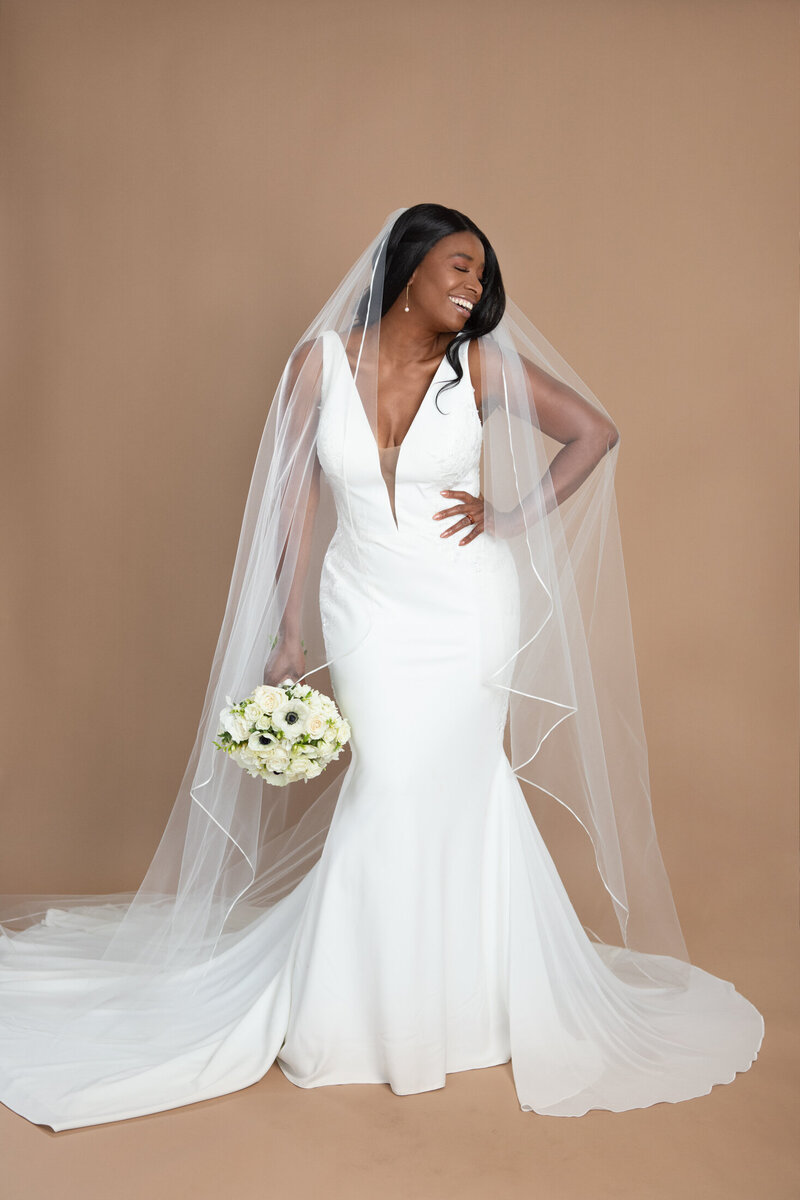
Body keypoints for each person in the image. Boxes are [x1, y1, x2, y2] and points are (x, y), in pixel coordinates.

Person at [0, 204, 763, 1130]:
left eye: (481, 272)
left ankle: (466, 1010)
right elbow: (290, 501)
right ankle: (366, 1015)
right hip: (366, 608)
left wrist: (515, 517)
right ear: (407, 270)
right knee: (390, 780)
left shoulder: (478, 364)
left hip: (467, 607)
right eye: (458, 265)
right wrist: (287, 634)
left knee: (462, 783)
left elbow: (595, 431)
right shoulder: (319, 362)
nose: (474, 285)